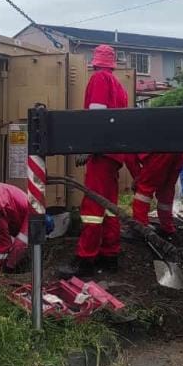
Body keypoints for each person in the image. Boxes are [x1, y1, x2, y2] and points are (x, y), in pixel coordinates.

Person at [62, 44, 129, 278]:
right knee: (109, 207)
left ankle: (85, 259)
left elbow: (96, 115)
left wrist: (87, 147)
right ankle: (109, 255)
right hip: (113, 154)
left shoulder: (100, 78)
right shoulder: (118, 86)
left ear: (96, 60)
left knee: (92, 208)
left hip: (101, 154)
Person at [0, 182, 55, 273]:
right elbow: (20, 245)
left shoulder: (32, 208)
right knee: (1, 247)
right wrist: (10, 266)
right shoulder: (34, 218)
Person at [128, 152, 183, 237]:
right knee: (166, 189)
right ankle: (167, 228)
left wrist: (137, 177)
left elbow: (129, 158)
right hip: (180, 152)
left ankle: (140, 229)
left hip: (159, 151)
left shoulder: (124, 147)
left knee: (144, 189)